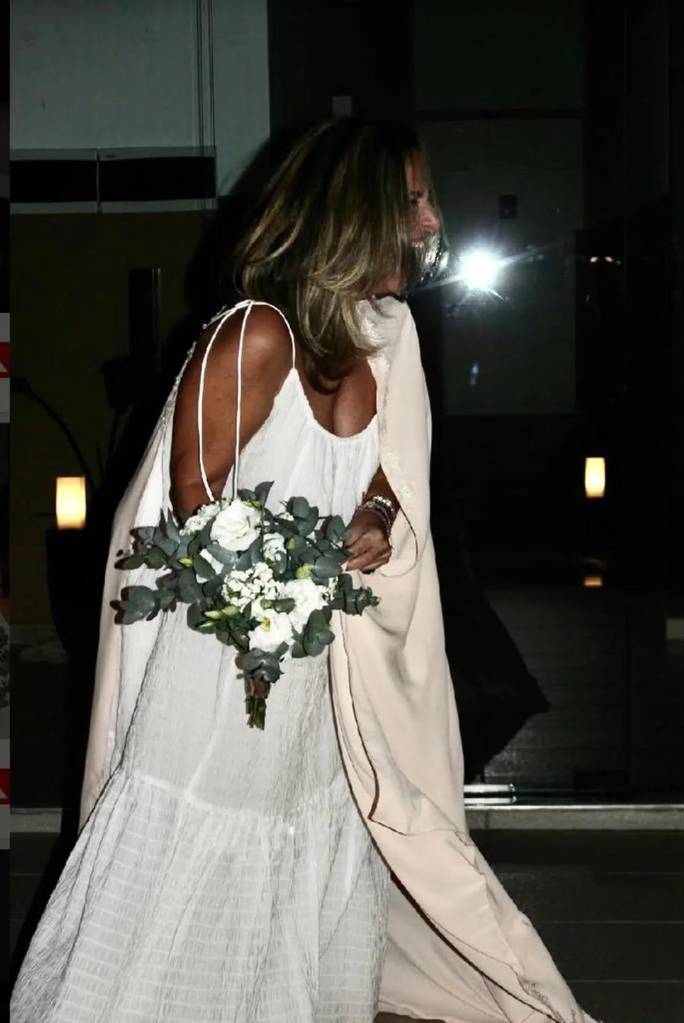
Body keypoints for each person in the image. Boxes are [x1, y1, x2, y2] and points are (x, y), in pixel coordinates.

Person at [11, 119, 603, 1023]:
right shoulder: (256, 335)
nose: (430, 219)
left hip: (322, 669)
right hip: (222, 675)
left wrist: (376, 517)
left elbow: (385, 476)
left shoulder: (381, 338)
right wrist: (282, 586)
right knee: (193, 861)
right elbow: (190, 509)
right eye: (412, 200)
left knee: (306, 843)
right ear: (352, 212)